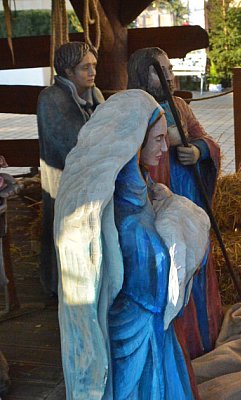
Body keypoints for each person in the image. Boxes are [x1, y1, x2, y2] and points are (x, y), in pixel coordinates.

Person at [54, 89, 210, 399]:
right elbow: (150, 282)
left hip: (153, 330)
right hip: (135, 332)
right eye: (158, 139)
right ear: (135, 142)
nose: (166, 147)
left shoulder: (145, 188)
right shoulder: (117, 216)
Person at [127, 48, 222, 359]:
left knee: (196, 258)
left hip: (188, 196)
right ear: (143, 75)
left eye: (169, 68)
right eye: (160, 71)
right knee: (171, 265)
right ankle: (179, 344)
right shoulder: (136, 108)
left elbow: (206, 140)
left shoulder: (180, 106)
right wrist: (164, 140)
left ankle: (203, 338)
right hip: (158, 200)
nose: (169, 75)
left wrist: (197, 151)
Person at [37, 42, 104, 295]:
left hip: (92, 179)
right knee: (63, 230)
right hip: (64, 181)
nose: (92, 72)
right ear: (67, 71)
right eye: (85, 67)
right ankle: (59, 287)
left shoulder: (95, 94)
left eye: (94, 66)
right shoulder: (51, 98)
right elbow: (72, 143)